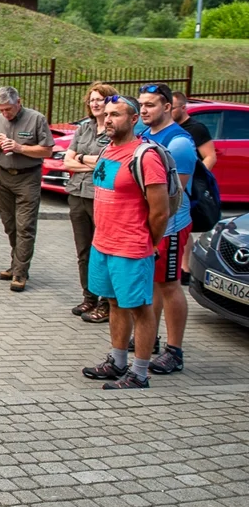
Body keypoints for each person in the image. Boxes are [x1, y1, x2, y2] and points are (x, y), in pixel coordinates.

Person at [82, 96, 169, 389]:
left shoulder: (145, 157)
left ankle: (140, 372)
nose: (108, 119)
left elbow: (160, 211)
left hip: (131, 248)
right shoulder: (108, 149)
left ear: (133, 119)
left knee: (140, 308)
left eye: (116, 114)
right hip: (103, 243)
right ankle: (118, 361)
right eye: (106, 114)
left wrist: (149, 243)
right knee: (115, 303)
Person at [138, 83, 197, 376]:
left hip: (171, 224)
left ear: (167, 107)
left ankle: (175, 351)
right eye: (142, 105)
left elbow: (175, 193)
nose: (144, 110)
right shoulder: (146, 135)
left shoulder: (179, 143)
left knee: (170, 285)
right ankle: (153, 339)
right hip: (151, 223)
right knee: (153, 282)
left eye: (150, 105)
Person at [0, 86, 54, 292]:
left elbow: (48, 150)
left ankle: (21, 272)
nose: (5, 113)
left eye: (9, 109)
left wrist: (20, 147)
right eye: (1, 109)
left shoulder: (36, 119)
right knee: (10, 224)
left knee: (25, 226)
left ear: (18, 102)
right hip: (4, 177)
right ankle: (15, 264)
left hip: (28, 177)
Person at [61, 82, 118, 323]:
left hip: (101, 198)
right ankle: (89, 296)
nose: (95, 103)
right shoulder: (84, 129)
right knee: (83, 250)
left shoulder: (116, 130)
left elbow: (111, 163)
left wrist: (81, 160)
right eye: (92, 99)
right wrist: (90, 161)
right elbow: (67, 161)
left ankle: (107, 303)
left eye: (101, 99)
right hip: (77, 194)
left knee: (103, 251)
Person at [171, 91, 217, 287]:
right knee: (180, 227)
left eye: (171, 107)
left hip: (187, 187)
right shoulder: (169, 129)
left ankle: (185, 269)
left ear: (182, 108)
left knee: (184, 224)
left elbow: (210, 156)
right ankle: (182, 267)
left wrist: (195, 178)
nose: (168, 111)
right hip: (173, 185)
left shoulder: (196, 128)